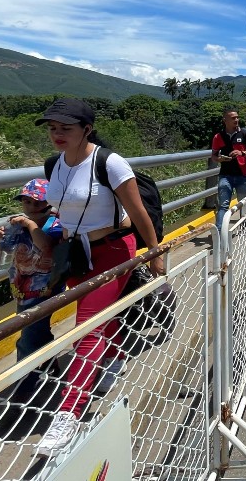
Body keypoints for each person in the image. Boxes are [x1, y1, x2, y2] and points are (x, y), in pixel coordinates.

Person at [34, 98, 162, 456]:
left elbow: (137, 210)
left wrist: (153, 253)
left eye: (66, 128)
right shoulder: (53, 165)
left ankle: (69, 414)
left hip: (112, 251)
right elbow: (60, 209)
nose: (56, 134)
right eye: (52, 127)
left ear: (86, 129)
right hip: (76, 254)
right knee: (101, 319)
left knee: (87, 327)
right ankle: (115, 358)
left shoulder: (109, 162)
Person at [0, 179, 64, 370]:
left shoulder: (55, 226)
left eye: (38, 203)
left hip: (45, 291)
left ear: (49, 204)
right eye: (27, 202)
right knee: (38, 331)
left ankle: (25, 386)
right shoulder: (16, 226)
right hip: (22, 291)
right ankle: (50, 367)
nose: (32, 207)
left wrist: (29, 224)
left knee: (27, 339)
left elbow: (46, 248)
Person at [212, 108, 246, 229]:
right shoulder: (218, 136)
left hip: (242, 175)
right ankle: (220, 235)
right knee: (223, 205)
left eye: (237, 117)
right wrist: (219, 159)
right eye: (233, 118)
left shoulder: (244, 133)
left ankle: (244, 226)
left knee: (242, 203)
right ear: (225, 120)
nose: (236, 120)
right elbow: (213, 155)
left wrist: (242, 153)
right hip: (225, 176)